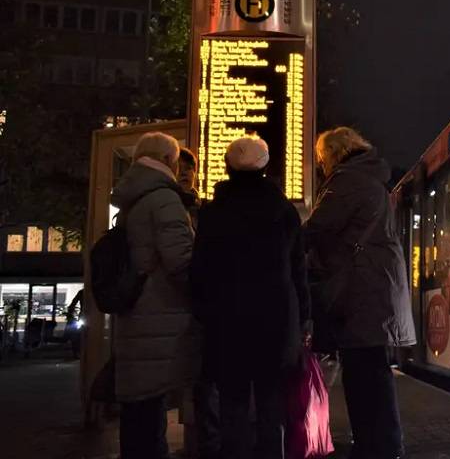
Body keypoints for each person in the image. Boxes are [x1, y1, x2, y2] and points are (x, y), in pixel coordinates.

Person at [190, 135, 309, 459]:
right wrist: (303, 319)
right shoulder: (284, 212)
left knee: (233, 409)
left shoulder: (214, 213)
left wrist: (204, 313)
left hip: (227, 327)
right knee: (272, 410)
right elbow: (299, 273)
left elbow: (199, 272)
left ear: (227, 167)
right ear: (266, 167)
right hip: (275, 326)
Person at [305, 127, 416, 459]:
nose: (322, 165)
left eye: (322, 158)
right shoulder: (371, 180)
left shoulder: (348, 181)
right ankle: (382, 444)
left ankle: (375, 446)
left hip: (360, 293)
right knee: (373, 371)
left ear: (335, 153)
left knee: (363, 375)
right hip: (375, 289)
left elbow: (316, 229)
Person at [110, 131, 199, 459]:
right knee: (150, 415)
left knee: (138, 413)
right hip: (160, 317)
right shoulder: (164, 198)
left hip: (137, 317)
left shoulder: (133, 196)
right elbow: (180, 261)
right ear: (167, 161)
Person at [175, 146, 221, 459]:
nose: (184, 176)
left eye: (188, 171)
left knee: (204, 381)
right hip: (179, 306)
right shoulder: (173, 206)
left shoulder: (204, 209)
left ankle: (207, 444)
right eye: (179, 170)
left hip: (200, 308)